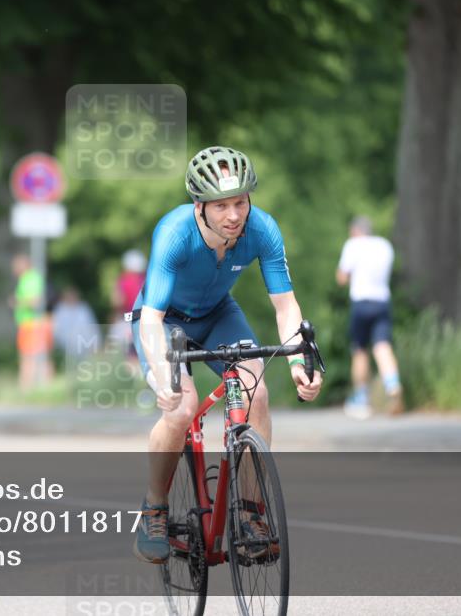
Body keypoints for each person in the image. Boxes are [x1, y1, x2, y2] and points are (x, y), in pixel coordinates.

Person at [129, 146, 323, 564]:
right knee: (181, 410)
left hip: (218, 316)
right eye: (221, 206)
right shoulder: (174, 232)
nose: (234, 215)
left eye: (240, 202)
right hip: (164, 322)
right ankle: (154, 507)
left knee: (256, 392)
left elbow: (286, 306)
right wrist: (164, 378)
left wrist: (296, 363)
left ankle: (251, 514)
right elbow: (151, 318)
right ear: (199, 206)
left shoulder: (263, 229)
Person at [336, 215, 403, 419]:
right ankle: (393, 386)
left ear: (356, 231)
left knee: (360, 350)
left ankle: (361, 398)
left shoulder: (353, 245)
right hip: (382, 301)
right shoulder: (385, 246)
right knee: (382, 346)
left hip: (361, 302)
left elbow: (341, 277)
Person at [11, 253, 53, 389]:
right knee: (38, 356)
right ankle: (43, 387)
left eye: (15, 266)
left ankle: (27, 387)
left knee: (30, 357)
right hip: (31, 323)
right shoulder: (28, 278)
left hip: (33, 323)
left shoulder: (30, 278)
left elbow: (36, 301)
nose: (13, 269)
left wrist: (18, 302)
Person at [108, 249, 146, 364]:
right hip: (146, 318)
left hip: (127, 319)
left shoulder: (123, 280)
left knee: (127, 353)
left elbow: (117, 301)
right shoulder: (146, 279)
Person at [52, 286, 101, 361]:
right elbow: (56, 331)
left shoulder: (83, 309)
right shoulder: (60, 310)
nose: (72, 298)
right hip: (66, 344)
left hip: (84, 344)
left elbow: (92, 327)